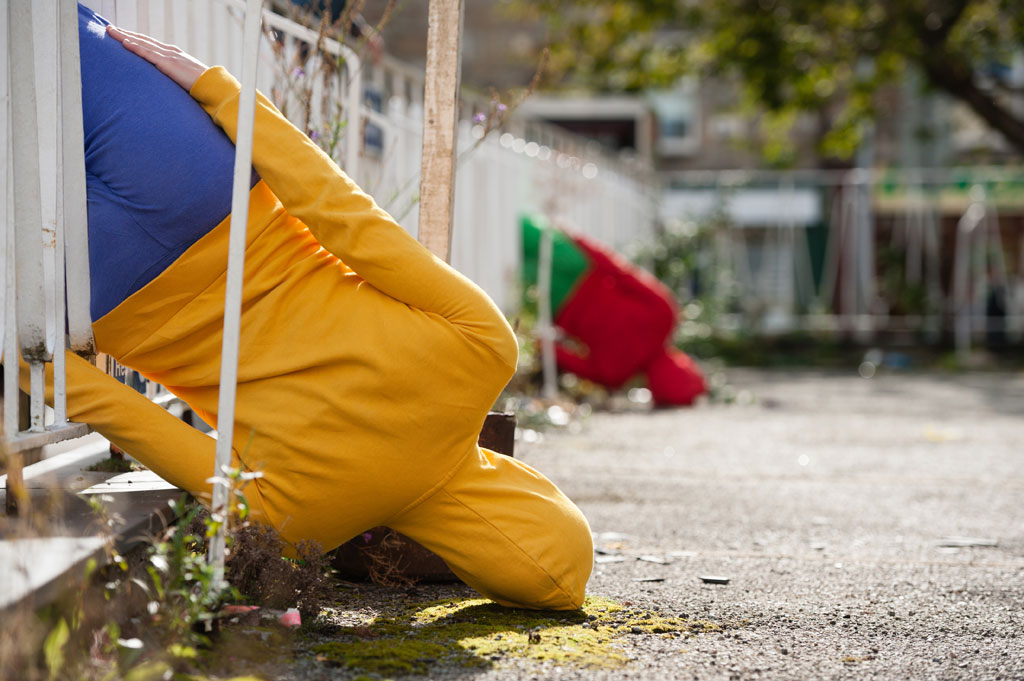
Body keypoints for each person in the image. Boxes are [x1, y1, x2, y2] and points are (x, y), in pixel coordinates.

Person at [18, 5, 592, 611]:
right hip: (104, 293)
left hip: (199, 187)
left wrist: (222, 94)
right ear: (465, 563)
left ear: (530, 486)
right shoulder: (296, 526)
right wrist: (26, 352)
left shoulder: (486, 351)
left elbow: (345, 216)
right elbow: (130, 418)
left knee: (30, 32)